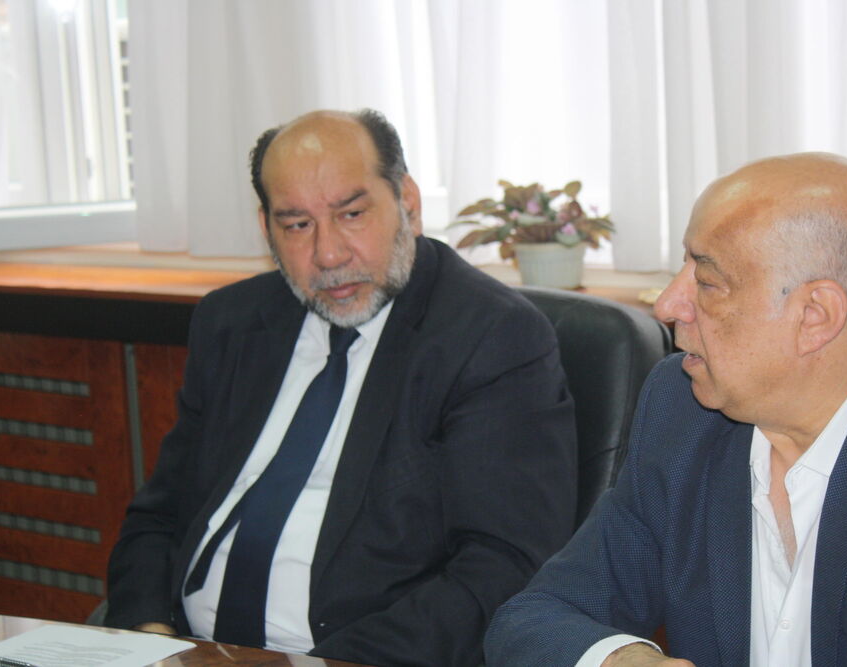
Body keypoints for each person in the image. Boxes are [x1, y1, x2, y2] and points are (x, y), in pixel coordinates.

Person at [105, 108, 578, 667]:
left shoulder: (490, 337)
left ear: (408, 203)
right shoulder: (231, 322)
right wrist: (152, 638)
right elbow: (159, 516)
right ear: (266, 228)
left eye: (352, 214)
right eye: (297, 225)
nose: (328, 255)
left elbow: (502, 566)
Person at [484, 152, 847, 666]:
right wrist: (623, 660)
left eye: (706, 281)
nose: (667, 305)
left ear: (814, 316)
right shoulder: (683, 408)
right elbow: (535, 619)